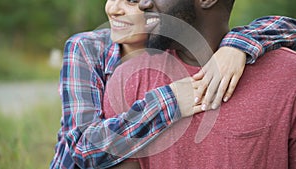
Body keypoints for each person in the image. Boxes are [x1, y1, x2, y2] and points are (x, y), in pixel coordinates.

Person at [50, 0, 296, 168]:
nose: (114, 8)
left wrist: (238, 44)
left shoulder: (167, 33)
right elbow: (84, 149)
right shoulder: (88, 48)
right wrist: (173, 99)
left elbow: (287, 27)